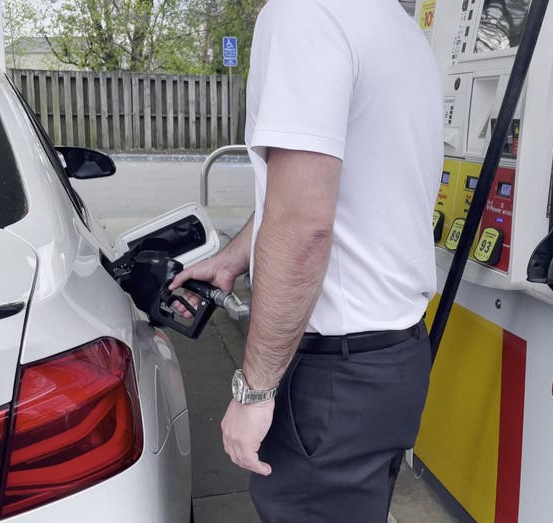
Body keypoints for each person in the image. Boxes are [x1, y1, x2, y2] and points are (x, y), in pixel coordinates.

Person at [169, 0, 443, 520]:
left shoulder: (303, 13)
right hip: (395, 359)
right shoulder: (399, 30)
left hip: (333, 383)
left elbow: (303, 225)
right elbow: (307, 195)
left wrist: (253, 391)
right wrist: (232, 259)